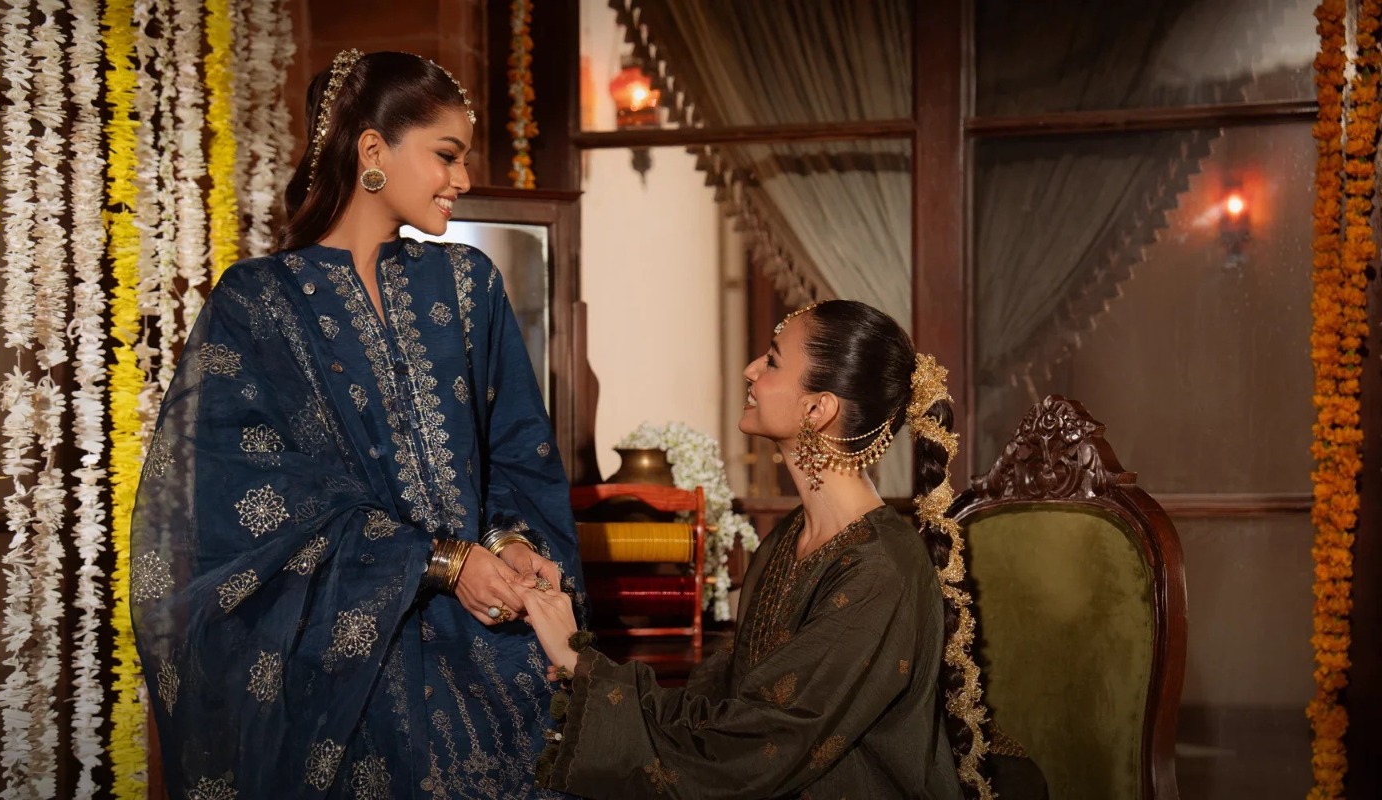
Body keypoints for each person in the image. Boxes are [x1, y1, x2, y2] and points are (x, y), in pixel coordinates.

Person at [130, 49, 583, 799]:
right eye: (447, 155)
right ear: (373, 150)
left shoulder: (468, 285)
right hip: (339, 668)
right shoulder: (257, 303)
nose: (464, 179)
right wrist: (438, 560)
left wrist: (511, 546)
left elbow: (516, 453)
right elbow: (244, 502)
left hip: (485, 655)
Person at [519, 300, 1046, 799]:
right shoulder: (789, 537)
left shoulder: (880, 571)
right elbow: (727, 708)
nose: (750, 370)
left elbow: (754, 747)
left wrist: (578, 661)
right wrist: (584, 669)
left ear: (818, 408)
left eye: (772, 361)